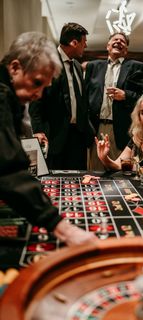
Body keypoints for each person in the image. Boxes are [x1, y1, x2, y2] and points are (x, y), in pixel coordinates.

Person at [0, 31, 95, 245]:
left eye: (44, 88)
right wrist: (64, 229)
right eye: (37, 82)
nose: (39, 95)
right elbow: (8, 169)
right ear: (15, 68)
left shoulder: (10, 95)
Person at [29, 23, 92, 170]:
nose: (86, 46)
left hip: (78, 136)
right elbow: (35, 101)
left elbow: (81, 100)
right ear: (74, 43)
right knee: (54, 182)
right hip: (54, 136)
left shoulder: (76, 65)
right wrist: (37, 130)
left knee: (78, 180)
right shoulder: (46, 62)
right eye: (84, 42)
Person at [85, 32, 143, 171]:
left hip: (122, 128)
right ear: (107, 46)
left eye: (122, 41)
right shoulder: (93, 66)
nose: (119, 42)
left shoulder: (136, 67)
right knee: (95, 170)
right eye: (115, 40)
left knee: (120, 171)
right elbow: (85, 96)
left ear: (126, 49)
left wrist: (126, 95)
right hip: (96, 127)